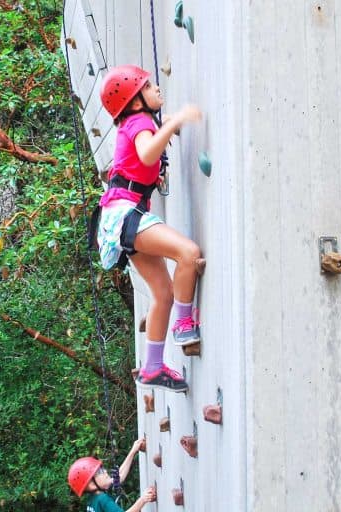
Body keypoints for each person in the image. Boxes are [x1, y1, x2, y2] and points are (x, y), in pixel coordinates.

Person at [96, 64, 203, 392]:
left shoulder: (133, 123)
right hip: (127, 215)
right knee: (188, 253)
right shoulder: (141, 122)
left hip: (119, 218)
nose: (158, 89)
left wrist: (166, 128)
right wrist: (175, 122)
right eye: (149, 86)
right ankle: (185, 326)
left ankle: (153, 367)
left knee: (163, 293)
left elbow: (136, 161)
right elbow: (145, 154)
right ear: (135, 100)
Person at [68, 439, 155, 512]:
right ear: (91, 485)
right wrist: (143, 499)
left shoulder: (93, 500)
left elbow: (119, 477)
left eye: (102, 469)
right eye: (99, 472)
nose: (105, 471)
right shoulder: (102, 499)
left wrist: (133, 451)